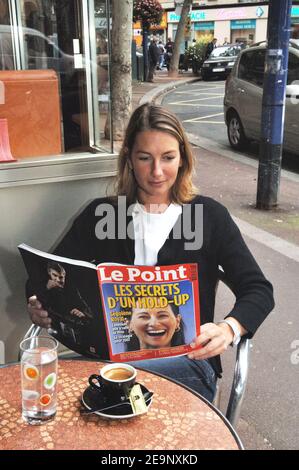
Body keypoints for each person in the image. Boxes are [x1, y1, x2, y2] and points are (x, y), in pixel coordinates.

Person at [27, 103, 274, 403]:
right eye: (145, 158)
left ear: (183, 157)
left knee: (107, 398)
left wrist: (228, 328)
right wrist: (40, 304)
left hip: (186, 363)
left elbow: (258, 290)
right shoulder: (102, 215)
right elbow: (45, 275)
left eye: (168, 157)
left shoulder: (210, 216)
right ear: (129, 158)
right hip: (110, 362)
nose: (157, 172)